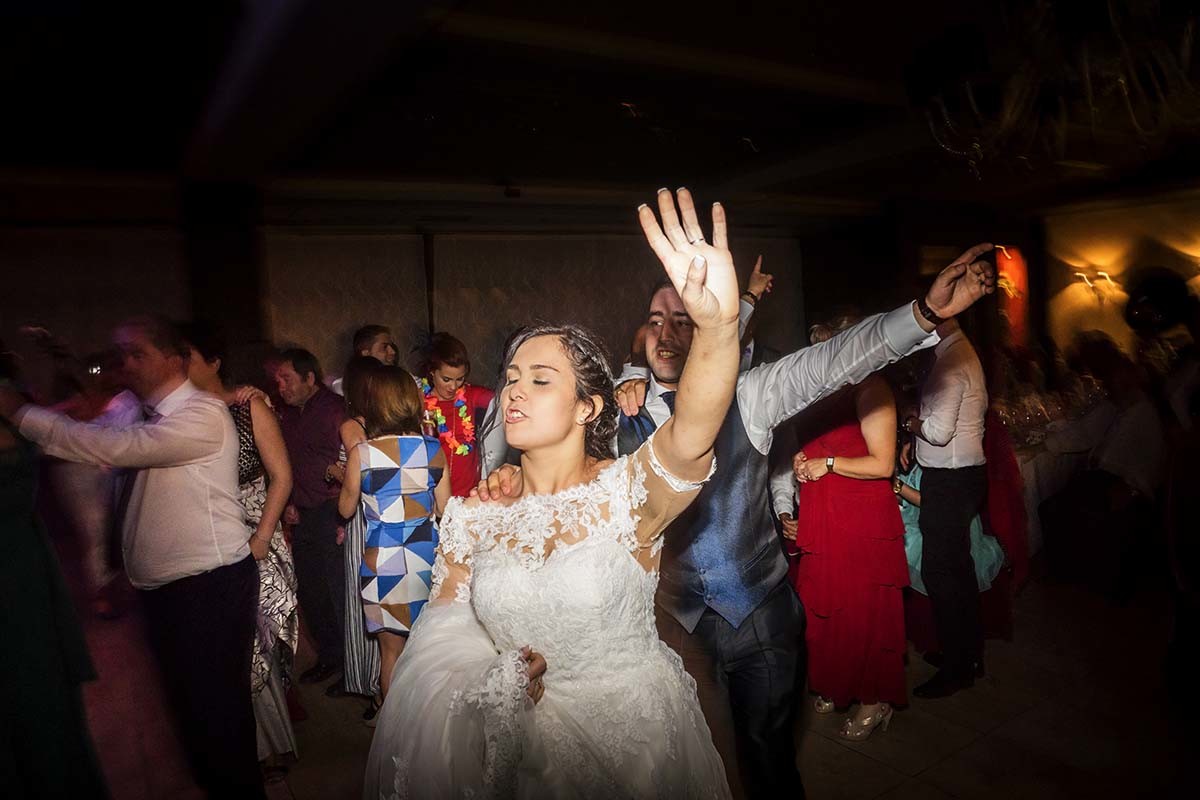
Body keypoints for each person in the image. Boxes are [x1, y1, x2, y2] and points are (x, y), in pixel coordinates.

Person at [475, 204, 995, 798]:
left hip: (759, 617)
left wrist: (923, 314)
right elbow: (529, 441)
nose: (667, 333)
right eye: (654, 320)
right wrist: (507, 482)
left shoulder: (755, 392)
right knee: (686, 765)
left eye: (682, 318)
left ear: (706, 327)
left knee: (767, 760)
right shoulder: (607, 417)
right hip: (664, 627)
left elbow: (836, 360)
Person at [364, 188, 743, 798]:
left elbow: (695, 429)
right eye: (511, 377)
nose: (514, 390)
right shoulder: (472, 515)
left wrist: (721, 328)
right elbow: (437, 642)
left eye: (540, 380)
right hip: (515, 762)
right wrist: (494, 678)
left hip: (639, 752)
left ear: (587, 406)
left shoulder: (627, 495)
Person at [1, 316, 264, 798]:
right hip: (166, 588)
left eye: (137, 353)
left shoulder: (203, 413)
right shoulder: (135, 410)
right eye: (121, 354)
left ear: (174, 360)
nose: (126, 364)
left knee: (217, 719)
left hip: (208, 584)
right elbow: (95, 442)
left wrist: (21, 413)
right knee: (189, 716)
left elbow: (115, 448)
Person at [774, 319, 909, 742]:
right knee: (828, 611)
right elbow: (815, 446)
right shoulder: (827, 394)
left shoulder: (873, 389)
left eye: (833, 350)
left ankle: (874, 699)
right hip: (825, 515)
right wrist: (801, 460)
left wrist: (827, 465)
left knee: (863, 611)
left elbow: (883, 464)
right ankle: (838, 682)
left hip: (862, 522)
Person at [184, 324, 300, 772]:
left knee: (255, 641)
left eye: (188, 357)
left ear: (213, 362)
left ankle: (268, 748)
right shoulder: (182, 416)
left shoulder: (250, 407)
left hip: (255, 534)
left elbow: (282, 477)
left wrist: (261, 538)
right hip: (206, 542)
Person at [0, 340, 110, 799]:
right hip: (12, 567)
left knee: (44, 695)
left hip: (25, 562)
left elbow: (74, 425)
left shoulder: (15, 406)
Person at [339, 366, 450, 710]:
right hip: (425, 558)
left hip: (382, 561)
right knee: (429, 651)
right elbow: (446, 510)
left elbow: (345, 510)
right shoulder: (432, 449)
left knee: (391, 655)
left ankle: (394, 736)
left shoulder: (363, 453)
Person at [900, 317, 989, 698]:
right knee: (958, 571)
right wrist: (915, 443)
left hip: (952, 482)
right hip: (960, 476)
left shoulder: (953, 362)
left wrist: (909, 424)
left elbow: (938, 432)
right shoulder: (958, 354)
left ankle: (957, 668)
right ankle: (967, 656)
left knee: (943, 575)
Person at [276, 347, 347, 685]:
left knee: (336, 591)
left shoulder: (335, 410)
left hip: (332, 510)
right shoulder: (286, 415)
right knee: (310, 591)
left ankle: (349, 663)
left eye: (287, 379)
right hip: (301, 512)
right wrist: (288, 501)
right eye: (277, 380)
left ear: (309, 378)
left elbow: (353, 458)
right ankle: (329, 656)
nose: (282, 387)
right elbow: (286, 463)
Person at [327, 355, 385, 716]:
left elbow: (359, 475)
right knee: (385, 601)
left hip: (362, 517)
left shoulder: (352, 426)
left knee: (364, 599)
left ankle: (373, 685)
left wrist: (333, 470)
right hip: (385, 516)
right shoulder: (392, 423)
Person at [418, 332, 493, 497]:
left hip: (469, 496)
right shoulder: (419, 402)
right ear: (432, 372)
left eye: (459, 379)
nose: (453, 386)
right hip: (433, 496)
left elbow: (502, 400)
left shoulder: (472, 395)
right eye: (446, 379)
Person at [329, 325, 399, 395]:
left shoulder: (402, 382)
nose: (393, 352)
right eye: (384, 347)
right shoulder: (343, 388)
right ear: (366, 353)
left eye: (391, 346)